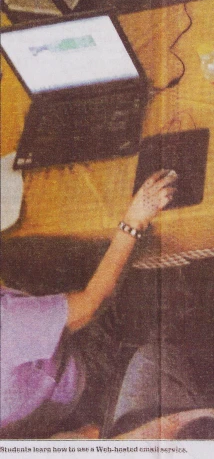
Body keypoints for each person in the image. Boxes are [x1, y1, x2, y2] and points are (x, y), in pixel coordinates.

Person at [0, 170, 178, 438]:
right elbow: (95, 301)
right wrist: (134, 221)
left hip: (39, 399)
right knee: (129, 249)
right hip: (84, 373)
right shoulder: (11, 323)